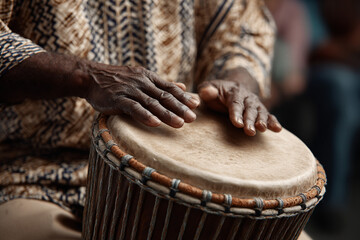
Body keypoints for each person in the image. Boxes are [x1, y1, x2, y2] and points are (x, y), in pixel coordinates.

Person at [0, 0, 281, 238]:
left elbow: (242, 29)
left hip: (177, 180)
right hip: (40, 174)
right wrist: (84, 76)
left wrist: (237, 80)